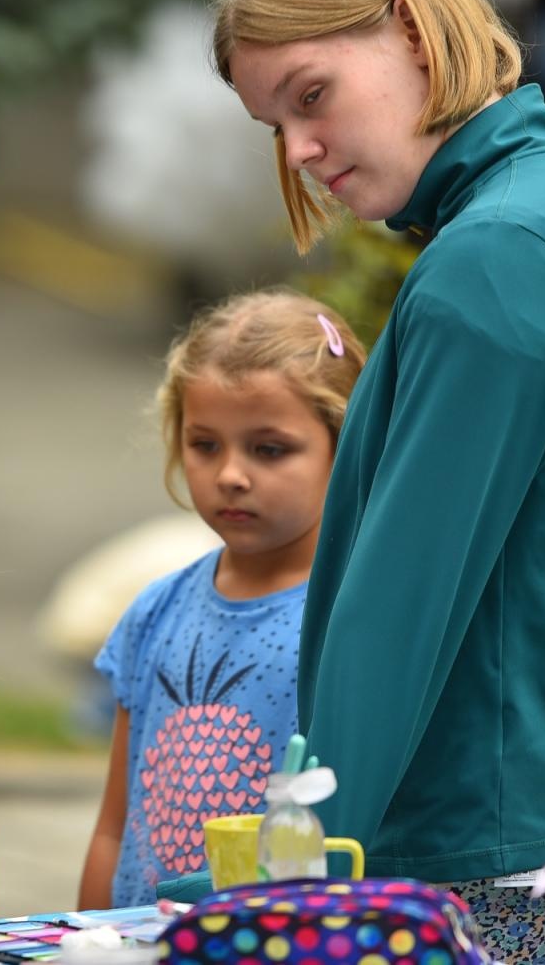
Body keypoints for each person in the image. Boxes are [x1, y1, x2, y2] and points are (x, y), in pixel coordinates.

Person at [211, 0, 545, 959]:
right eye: (275, 125)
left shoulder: (498, 260)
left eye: (312, 97)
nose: (300, 150)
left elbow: (394, 614)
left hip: (480, 875)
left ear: (409, 31)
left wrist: (297, 907)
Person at [78, 289, 366, 908]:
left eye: (269, 449)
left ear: (344, 444)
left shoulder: (356, 615)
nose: (230, 474)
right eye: (205, 444)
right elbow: (112, 826)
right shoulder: (155, 610)